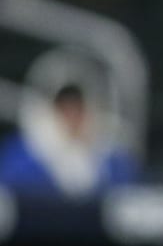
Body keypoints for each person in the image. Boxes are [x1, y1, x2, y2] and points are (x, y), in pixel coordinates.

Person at [0, 80, 138, 198]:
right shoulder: (25, 151)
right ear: (55, 113)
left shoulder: (109, 154)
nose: (72, 120)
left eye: (77, 113)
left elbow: (126, 190)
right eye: (66, 112)